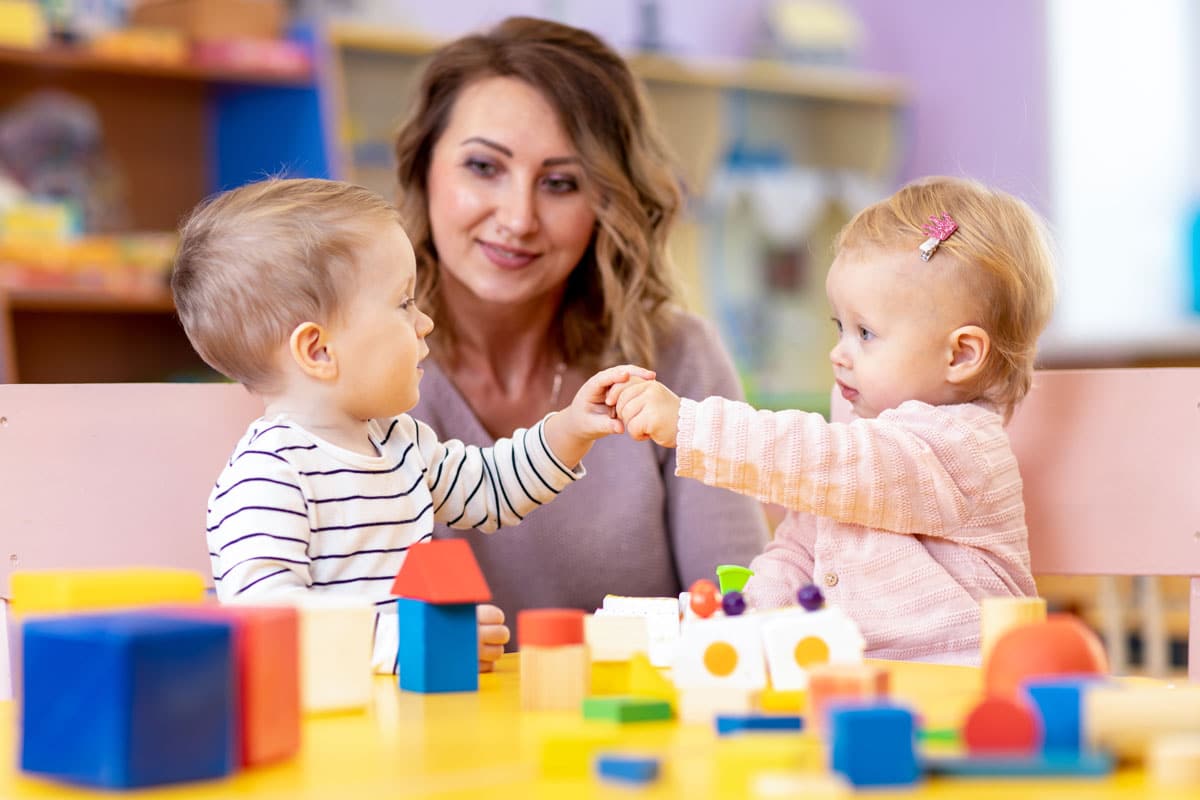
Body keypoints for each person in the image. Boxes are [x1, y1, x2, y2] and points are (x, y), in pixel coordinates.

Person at [171, 177, 652, 673]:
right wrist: (413, 640)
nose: (425, 323)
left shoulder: (400, 444)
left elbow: (491, 487)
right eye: (404, 303)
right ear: (317, 350)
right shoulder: (269, 476)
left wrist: (570, 429)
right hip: (330, 731)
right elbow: (266, 620)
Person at [394, 16, 769, 631]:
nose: (518, 218)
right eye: (484, 167)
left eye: (561, 183)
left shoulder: (677, 358)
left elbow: (743, 612)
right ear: (423, 167)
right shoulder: (346, 368)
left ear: (606, 203)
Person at [610, 176, 1057, 665]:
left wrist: (694, 426)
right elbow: (797, 553)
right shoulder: (858, 443)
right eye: (839, 327)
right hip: (858, 677)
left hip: (964, 680)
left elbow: (834, 464)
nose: (838, 354)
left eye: (865, 333)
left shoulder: (960, 447)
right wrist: (739, 619)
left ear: (961, 355)